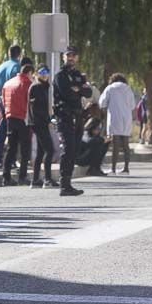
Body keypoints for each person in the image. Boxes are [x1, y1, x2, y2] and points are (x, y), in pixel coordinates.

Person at [52, 45, 90, 196]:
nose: (71, 58)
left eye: (73, 55)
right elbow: (67, 93)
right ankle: (64, 184)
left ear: (77, 57)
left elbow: (87, 92)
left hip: (78, 116)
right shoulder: (60, 75)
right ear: (64, 57)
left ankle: (68, 184)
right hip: (65, 116)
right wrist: (78, 89)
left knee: (74, 149)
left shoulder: (79, 75)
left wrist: (78, 89)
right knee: (68, 149)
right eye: (68, 55)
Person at [0, 61, 34, 186]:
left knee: (11, 148)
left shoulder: (7, 83)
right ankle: (22, 176)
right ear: (30, 72)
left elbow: (3, 101)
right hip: (23, 119)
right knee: (25, 150)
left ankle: (6, 177)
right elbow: (31, 104)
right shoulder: (28, 84)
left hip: (10, 118)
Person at [0, 45, 23, 168]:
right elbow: (17, 86)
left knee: (2, 132)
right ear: (19, 54)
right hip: (12, 103)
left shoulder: (0, 68)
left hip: (1, 102)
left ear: (9, 53)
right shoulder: (17, 67)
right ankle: (12, 160)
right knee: (14, 133)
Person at [99, 73, 136, 175]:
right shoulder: (128, 89)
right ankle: (126, 169)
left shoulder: (110, 88)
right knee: (125, 144)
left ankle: (113, 169)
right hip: (126, 118)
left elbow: (102, 102)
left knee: (115, 143)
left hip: (115, 118)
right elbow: (133, 105)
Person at [28, 66, 56, 188]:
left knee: (40, 152)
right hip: (39, 123)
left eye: (46, 72)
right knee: (50, 150)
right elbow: (36, 109)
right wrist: (47, 120)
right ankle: (47, 179)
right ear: (37, 74)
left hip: (41, 123)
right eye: (42, 72)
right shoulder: (37, 87)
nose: (45, 75)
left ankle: (35, 180)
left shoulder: (43, 86)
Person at [78, 103, 109, 176]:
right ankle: (92, 170)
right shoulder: (86, 130)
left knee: (104, 145)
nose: (98, 130)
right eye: (97, 128)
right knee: (97, 144)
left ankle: (96, 168)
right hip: (80, 157)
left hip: (87, 155)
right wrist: (102, 139)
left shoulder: (95, 129)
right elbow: (87, 142)